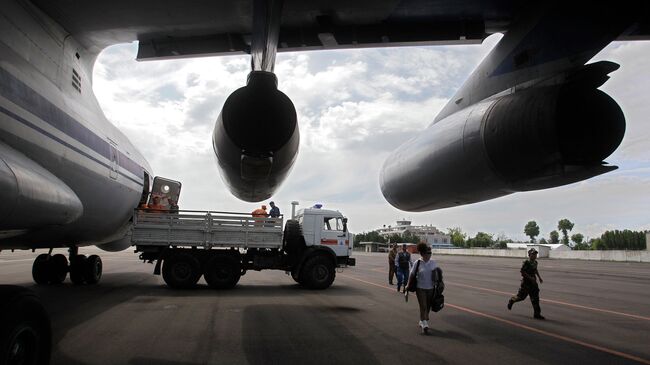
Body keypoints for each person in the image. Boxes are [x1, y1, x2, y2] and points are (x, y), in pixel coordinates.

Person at [405, 243, 438, 334]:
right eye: (428, 253)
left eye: (430, 253)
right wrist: (408, 285)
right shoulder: (418, 262)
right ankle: (425, 324)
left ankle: (422, 320)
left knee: (427, 307)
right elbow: (411, 275)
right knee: (423, 306)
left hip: (431, 288)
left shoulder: (433, 262)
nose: (429, 254)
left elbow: (436, 275)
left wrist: (437, 281)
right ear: (423, 254)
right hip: (420, 288)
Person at [507, 248, 545, 319]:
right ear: (529, 255)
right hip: (526, 283)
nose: (535, 255)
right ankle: (512, 300)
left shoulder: (535, 262)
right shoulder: (526, 262)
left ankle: (537, 314)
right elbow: (522, 272)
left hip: (533, 283)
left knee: (535, 299)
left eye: (535, 254)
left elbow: (535, 270)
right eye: (533, 254)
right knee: (521, 297)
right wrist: (530, 278)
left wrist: (539, 277)